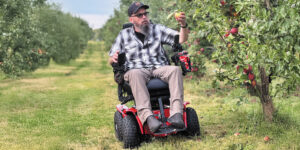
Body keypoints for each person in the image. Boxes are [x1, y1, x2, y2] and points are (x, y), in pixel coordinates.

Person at [109, 2, 189, 133]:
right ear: (131, 19)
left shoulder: (157, 29)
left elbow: (181, 39)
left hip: (158, 67)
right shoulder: (124, 35)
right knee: (134, 73)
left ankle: (176, 114)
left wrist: (183, 25)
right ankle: (148, 117)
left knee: (175, 70)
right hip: (137, 69)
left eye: (145, 14)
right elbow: (111, 57)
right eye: (139, 15)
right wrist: (113, 58)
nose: (144, 17)